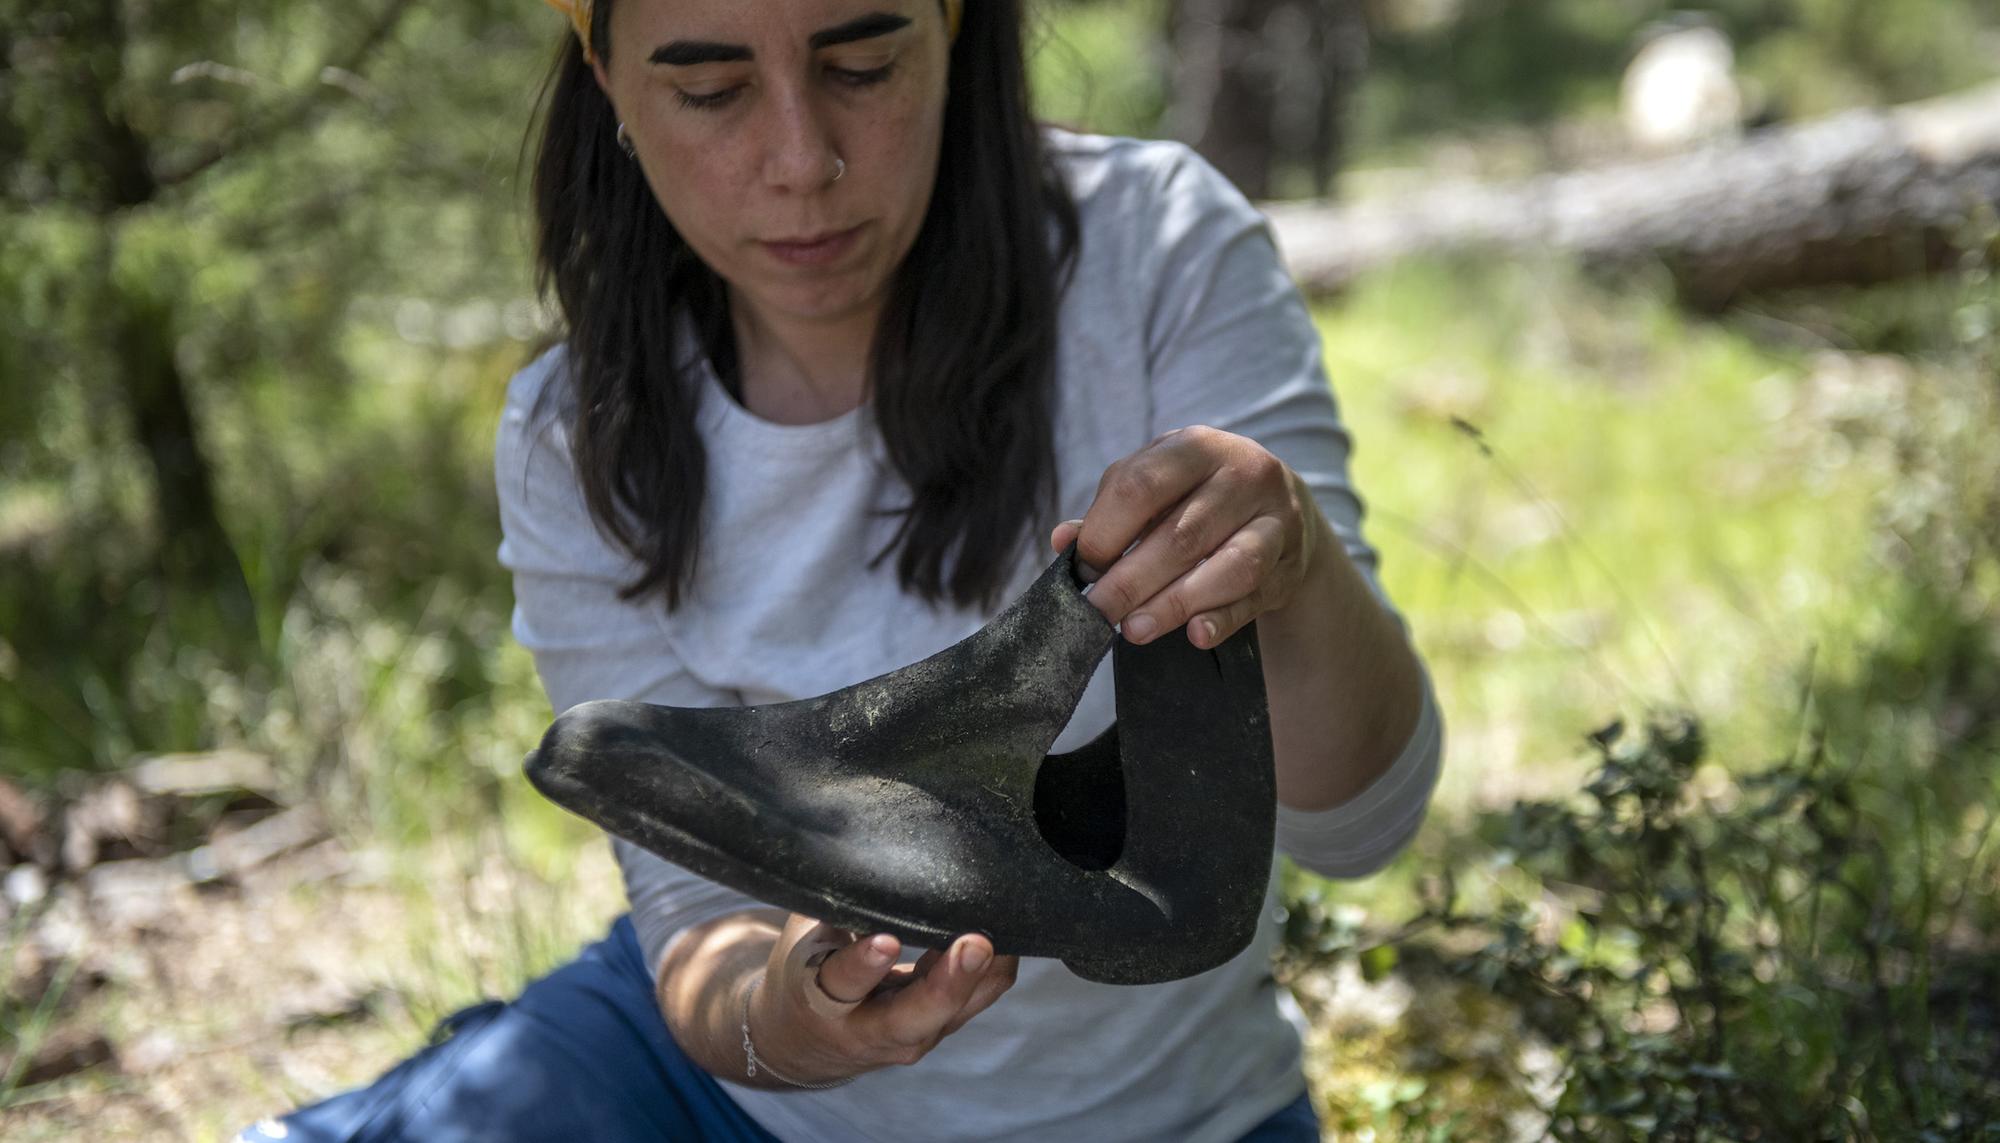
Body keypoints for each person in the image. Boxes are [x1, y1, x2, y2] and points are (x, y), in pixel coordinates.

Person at [240, 0, 1442, 1139]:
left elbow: (1361, 827)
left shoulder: (1154, 249)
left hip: (1165, 1120)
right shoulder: (579, 425)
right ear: (607, 77)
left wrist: (1290, 568)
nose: (800, 159)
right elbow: (695, 921)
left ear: (952, 31)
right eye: (710, 89)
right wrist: (782, 1017)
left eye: (862, 68)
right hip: (720, 1095)